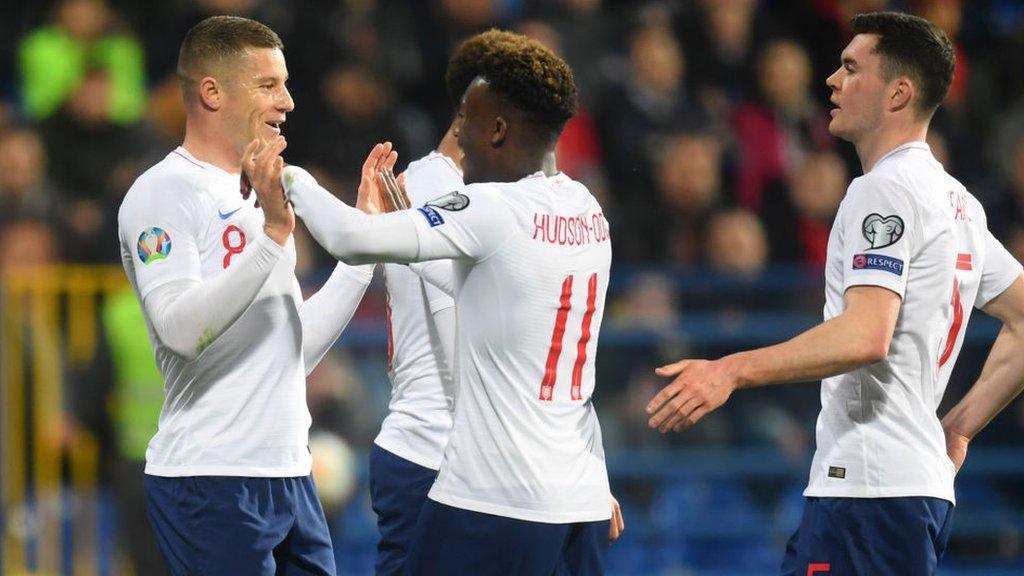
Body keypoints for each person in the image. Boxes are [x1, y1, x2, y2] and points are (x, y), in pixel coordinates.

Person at [646, 11, 1024, 576]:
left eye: (851, 67)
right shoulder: (958, 201)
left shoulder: (885, 189)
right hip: (900, 489)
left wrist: (731, 370)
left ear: (898, 93)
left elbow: (866, 334)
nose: (831, 80)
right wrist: (957, 428)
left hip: (870, 492)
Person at [248, 31, 616, 575]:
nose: (458, 131)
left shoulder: (486, 205)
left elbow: (352, 239)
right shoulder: (587, 209)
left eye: (467, 116)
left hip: (489, 485)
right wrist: (596, 473)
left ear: (498, 125)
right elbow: (524, 319)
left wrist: (289, 178)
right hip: (575, 490)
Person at [116, 16, 374, 576]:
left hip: (290, 474)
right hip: (210, 480)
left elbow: (288, 357)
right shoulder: (162, 194)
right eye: (268, 85)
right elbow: (181, 332)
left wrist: (362, 258)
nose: (287, 101)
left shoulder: (259, 196)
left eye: (284, 84)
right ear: (212, 92)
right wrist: (275, 237)